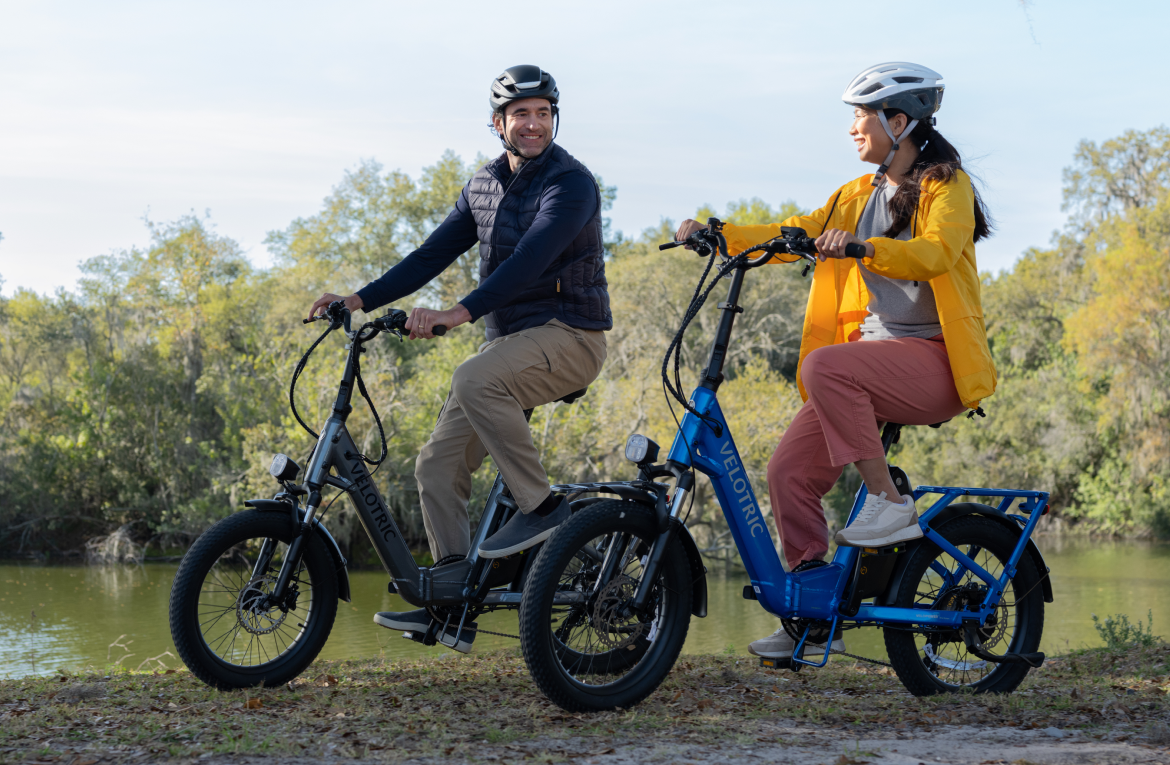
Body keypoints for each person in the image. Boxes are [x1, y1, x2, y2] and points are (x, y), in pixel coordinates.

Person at [674, 62, 995, 660]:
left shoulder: (945, 188)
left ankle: (890, 506)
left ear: (898, 123)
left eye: (861, 117)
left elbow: (936, 252)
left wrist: (863, 247)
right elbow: (791, 231)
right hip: (873, 365)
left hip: (937, 361)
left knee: (828, 365)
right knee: (788, 473)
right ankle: (811, 612)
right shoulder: (855, 196)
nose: (853, 129)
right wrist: (721, 235)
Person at [308, 65, 611, 651]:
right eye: (520, 113)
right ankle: (451, 601)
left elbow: (529, 259)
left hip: (572, 336)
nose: (533, 123)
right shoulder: (483, 186)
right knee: (436, 468)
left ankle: (541, 507)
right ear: (497, 123)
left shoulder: (571, 184)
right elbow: (431, 255)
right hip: (512, 347)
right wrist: (357, 299)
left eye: (543, 112)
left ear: (554, 118)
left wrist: (456, 314)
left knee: (473, 375)